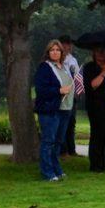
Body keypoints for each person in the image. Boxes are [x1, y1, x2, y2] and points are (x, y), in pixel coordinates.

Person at [34, 40, 73, 182]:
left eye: (58, 50)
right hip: (50, 110)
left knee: (58, 142)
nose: (55, 52)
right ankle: (47, 172)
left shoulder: (64, 67)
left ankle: (56, 168)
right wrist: (58, 90)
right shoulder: (45, 68)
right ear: (48, 52)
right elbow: (41, 89)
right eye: (52, 50)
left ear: (62, 52)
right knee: (48, 142)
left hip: (65, 109)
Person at [60, 35, 82, 157]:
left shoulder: (73, 59)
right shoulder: (59, 59)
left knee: (71, 123)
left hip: (72, 95)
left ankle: (72, 149)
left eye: (70, 44)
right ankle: (63, 150)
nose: (69, 46)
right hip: (63, 94)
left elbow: (78, 75)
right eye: (67, 44)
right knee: (63, 122)